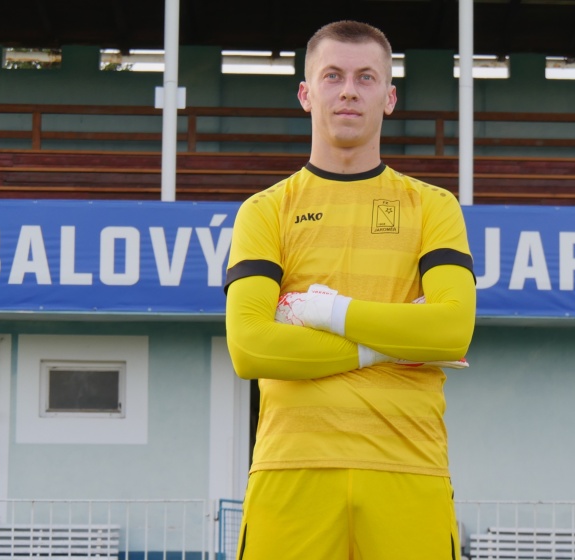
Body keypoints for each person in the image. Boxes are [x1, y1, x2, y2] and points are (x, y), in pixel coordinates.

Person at [223, 20, 477, 560]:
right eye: (332, 75)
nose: (348, 91)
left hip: (409, 467)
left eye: (366, 78)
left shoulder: (433, 207)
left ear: (389, 98)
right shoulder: (265, 211)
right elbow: (249, 347)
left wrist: (326, 312)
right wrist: (390, 343)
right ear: (305, 93)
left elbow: (452, 331)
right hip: (292, 469)